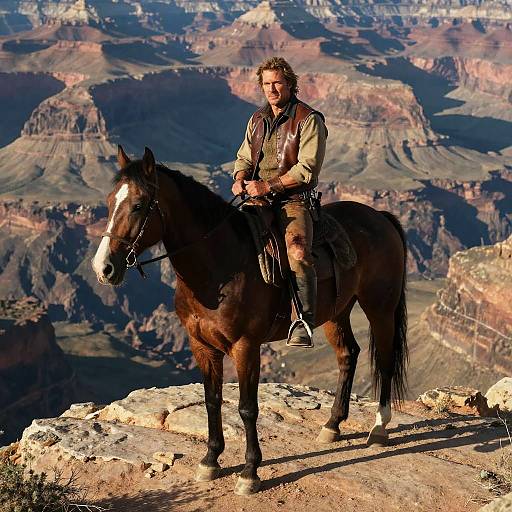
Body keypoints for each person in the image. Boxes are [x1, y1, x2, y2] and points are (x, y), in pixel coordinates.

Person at [232, 56, 328, 348]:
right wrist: (239, 177)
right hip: (256, 199)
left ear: (290, 84)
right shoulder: (257, 119)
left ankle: (302, 320)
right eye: (266, 84)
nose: (272, 89)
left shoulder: (309, 120)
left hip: (293, 201)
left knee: (297, 251)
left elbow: (306, 169)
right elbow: (245, 156)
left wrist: (268, 185)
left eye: (277, 83)